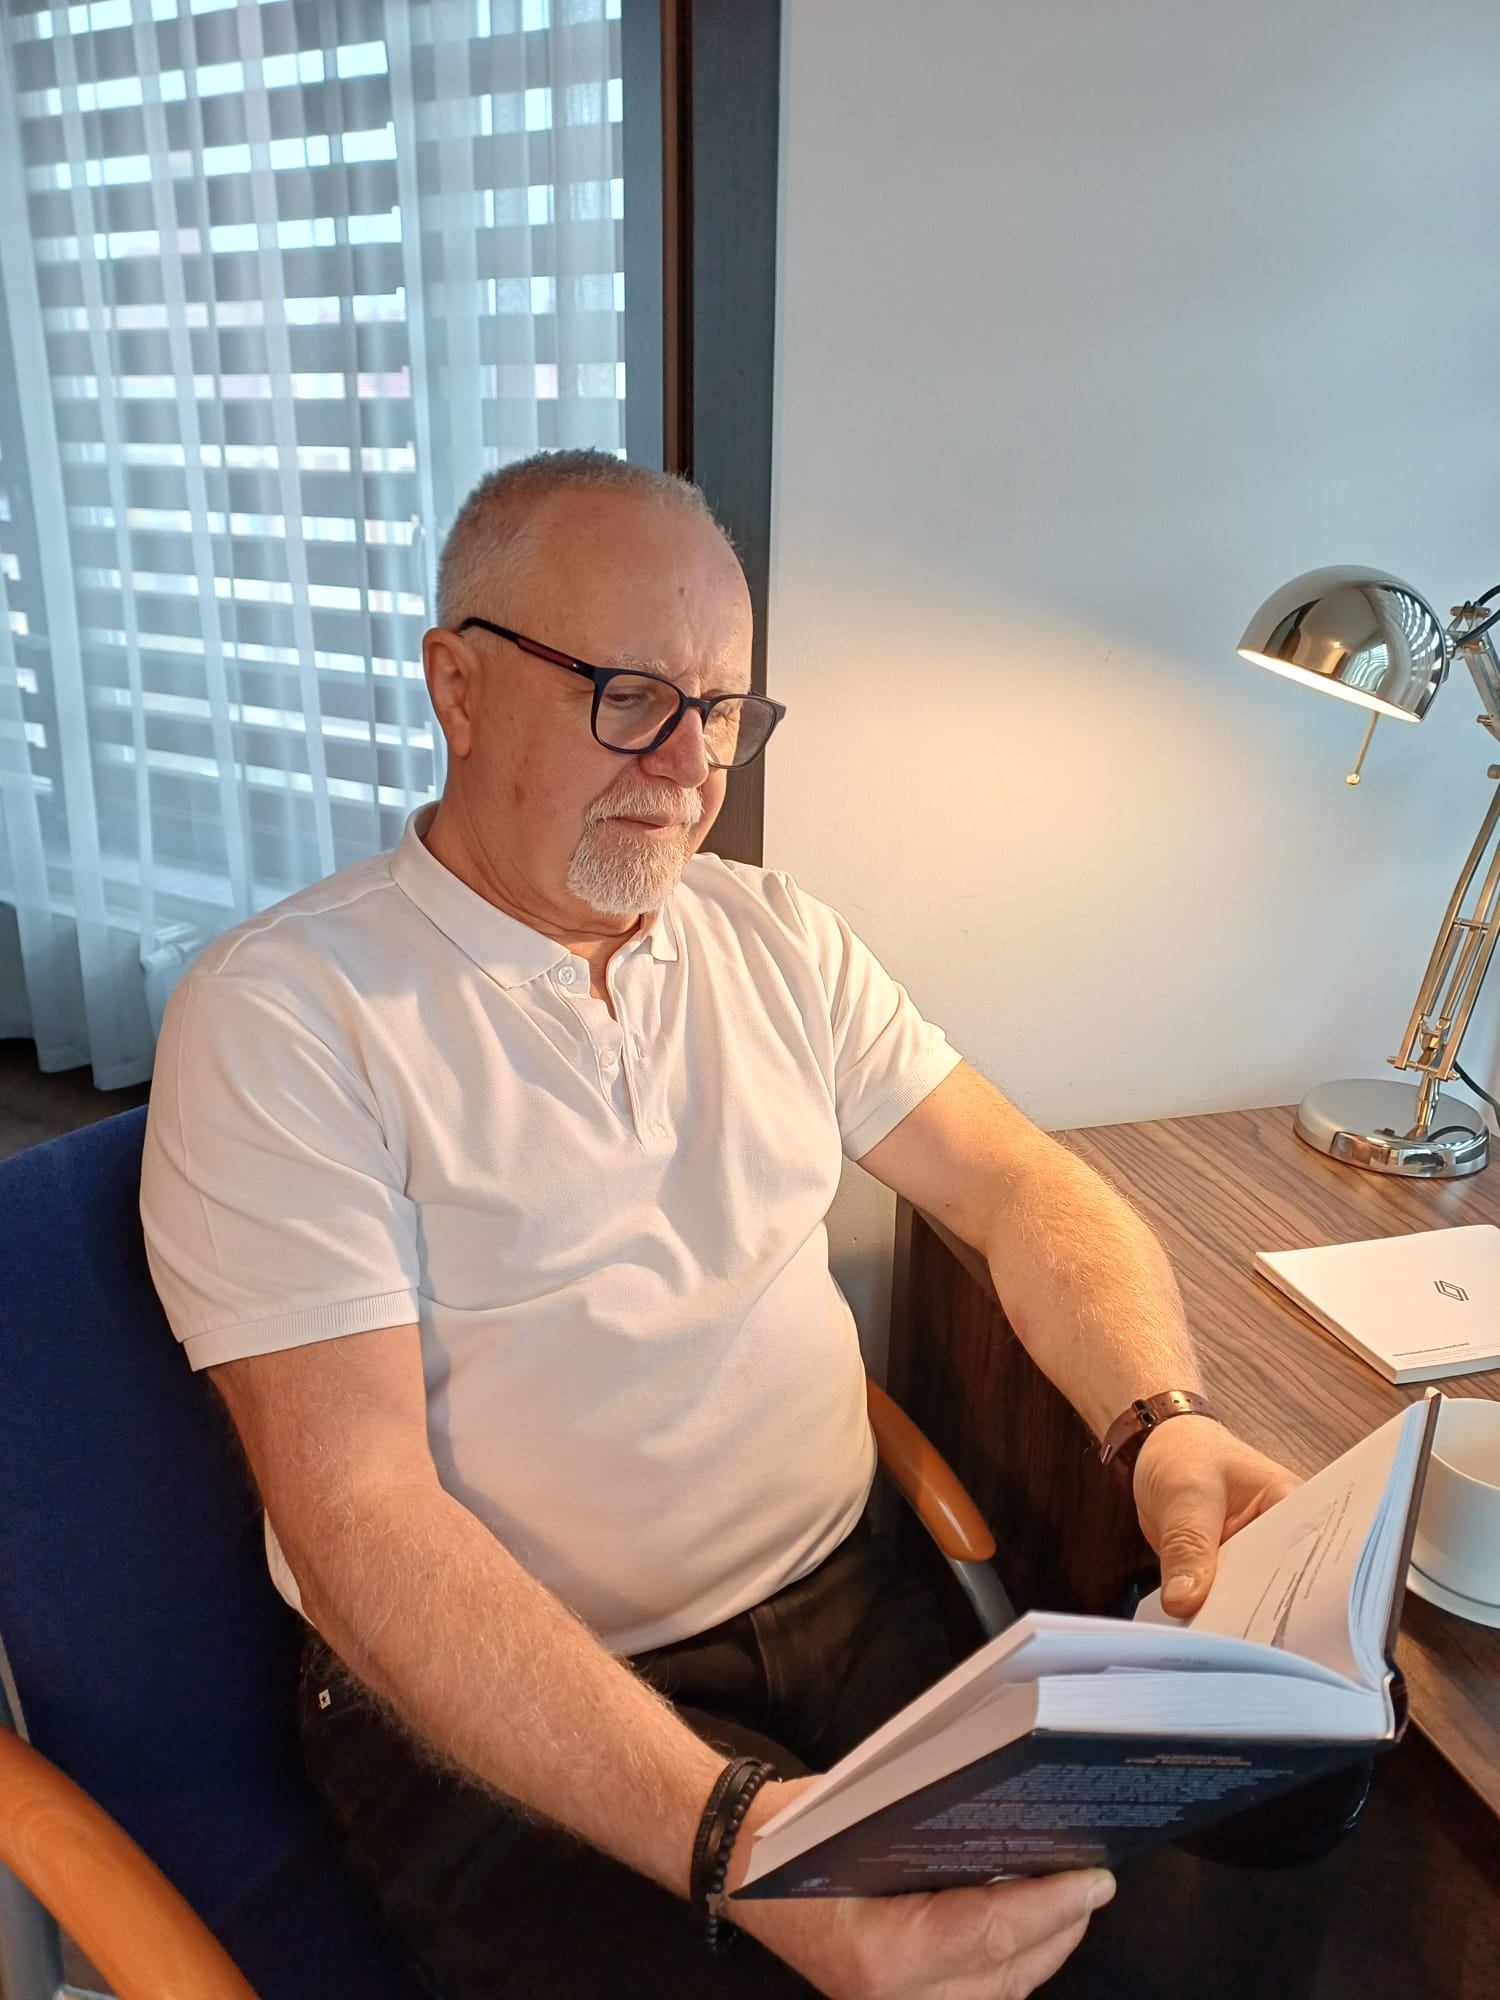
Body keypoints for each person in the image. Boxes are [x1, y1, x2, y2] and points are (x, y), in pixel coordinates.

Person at [141, 451, 1297, 2000]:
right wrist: (742, 1844)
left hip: (853, 1606)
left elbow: (1020, 1186)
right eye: (630, 697)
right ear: (457, 686)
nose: (692, 765)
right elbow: (362, 1522)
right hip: (508, 1693)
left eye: (725, 708)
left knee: (1156, 1919)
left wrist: (1160, 1422)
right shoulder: (286, 1018)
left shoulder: (776, 937)